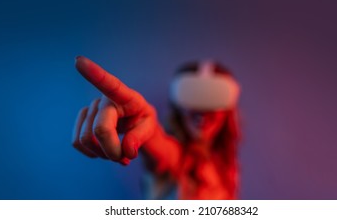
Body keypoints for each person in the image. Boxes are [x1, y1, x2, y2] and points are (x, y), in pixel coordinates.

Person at [72, 56, 241, 199]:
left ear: (228, 110)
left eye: (213, 99)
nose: (202, 112)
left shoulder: (226, 161)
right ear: (177, 107)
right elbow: (159, 148)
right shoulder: (174, 155)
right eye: (191, 97)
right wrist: (141, 123)